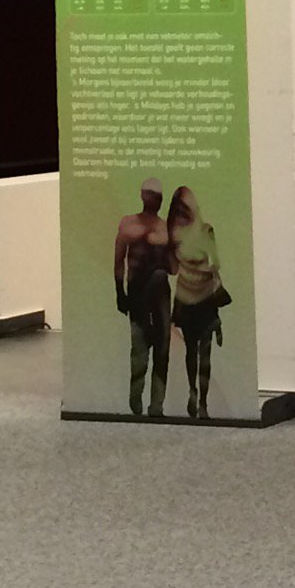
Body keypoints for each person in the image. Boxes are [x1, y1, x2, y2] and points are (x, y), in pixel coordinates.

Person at [113, 177, 173, 417]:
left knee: (161, 347)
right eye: (151, 195)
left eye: (156, 196)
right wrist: (120, 292)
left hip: (158, 292)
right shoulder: (129, 224)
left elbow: (174, 267)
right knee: (140, 349)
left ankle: (156, 404)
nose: (154, 200)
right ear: (142, 196)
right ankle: (136, 399)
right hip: (138, 293)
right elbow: (119, 260)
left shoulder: (165, 228)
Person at [167, 186, 228, 420]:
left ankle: (196, 395)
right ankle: (200, 399)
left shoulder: (175, 235)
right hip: (201, 297)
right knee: (202, 353)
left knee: (193, 352)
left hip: (187, 297)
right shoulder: (205, 231)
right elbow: (216, 264)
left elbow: (173, 268)